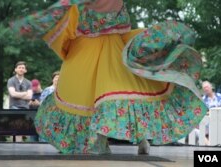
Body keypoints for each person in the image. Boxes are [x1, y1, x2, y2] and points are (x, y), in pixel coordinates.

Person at [11, 0, 207, 154]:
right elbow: (124, 26)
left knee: (86, 99)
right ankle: (143, 139)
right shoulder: (118, 2)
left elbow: (66, 27)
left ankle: (100, 143)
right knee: (133, 94)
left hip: (86, 51)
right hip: (115, 50)